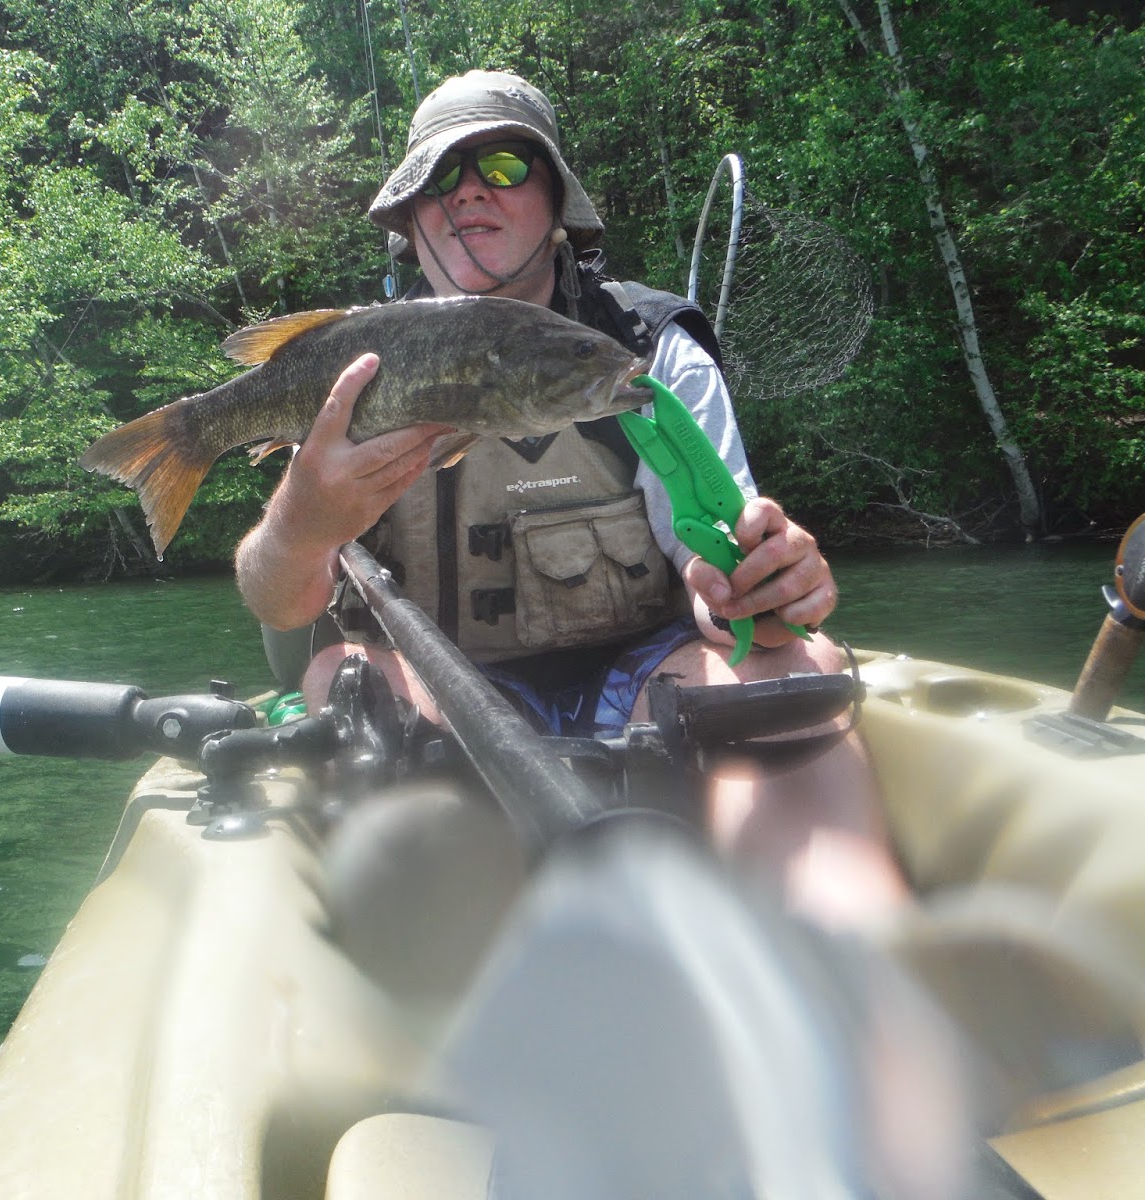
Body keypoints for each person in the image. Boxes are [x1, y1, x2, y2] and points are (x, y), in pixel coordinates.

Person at [234, 69, 909, 928]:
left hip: (646, 681)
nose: (472, 190)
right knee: (346, 672)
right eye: (441, 177)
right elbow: (280, 620)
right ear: (408, 220)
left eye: (507, 167)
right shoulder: (360, 366)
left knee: (793, 667)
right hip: (451, 692)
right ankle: (461, 963)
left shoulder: (646, 355)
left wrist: (761, 585)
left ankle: (847, 947)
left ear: (559, 207)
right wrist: (297, 527)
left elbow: (713, 565)